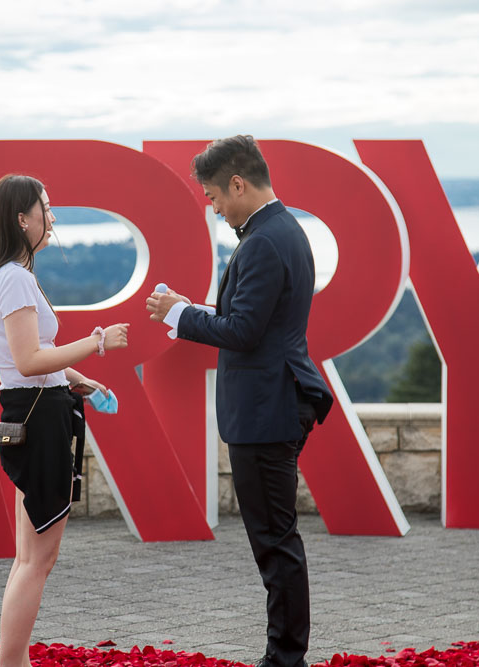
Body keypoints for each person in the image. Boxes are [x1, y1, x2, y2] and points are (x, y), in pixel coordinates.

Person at [146, 135, 333, 667]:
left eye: (213, 197)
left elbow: (246, 330)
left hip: (266, 410)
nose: (215, 208)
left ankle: (284, 660)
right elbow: (255, 319)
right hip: (272, 403)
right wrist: (192, 307)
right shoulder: (281, 231)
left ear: (237, 183)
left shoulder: (263, 241)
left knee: (275, 544)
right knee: (276, 540)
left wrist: (179, 317)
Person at [0, 174, 130, 667]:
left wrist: (84, 380)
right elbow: (27, 361)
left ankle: (13, 661)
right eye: (46, 208)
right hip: (39, 426)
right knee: (37, 560)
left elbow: (39, 361)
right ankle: (13, 662)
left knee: (29, 556)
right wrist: (98, 342)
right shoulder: (15, 277)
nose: (53, 217)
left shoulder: (7, 274)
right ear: (22, 219)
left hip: (32, 415)